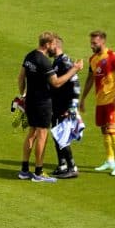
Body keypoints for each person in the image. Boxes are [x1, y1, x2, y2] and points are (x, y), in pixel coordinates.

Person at [17, 32, 83, 182]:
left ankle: (24, 170)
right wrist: (75, 69)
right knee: (41, 136)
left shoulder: (29, 56)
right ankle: (38, 173)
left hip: (31, 101)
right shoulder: (44, 61)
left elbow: (21, 78)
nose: (55, 46)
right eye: (53, 44)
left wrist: (23, 95)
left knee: (31, 134)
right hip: (43, 103)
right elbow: (56, 83)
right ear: (47, 45)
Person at [80, 30, 115, 176]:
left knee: (112, 129)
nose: (91, 45)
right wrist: (83, 99)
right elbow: (90, 79)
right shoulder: (93, 59)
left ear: (102, 42)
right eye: (91, 43)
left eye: (94, 43)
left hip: (112, 100)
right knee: (103, 130)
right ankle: (110, 160)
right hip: (100, 100)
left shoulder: (113, 56)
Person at [50, 36, 81, 178]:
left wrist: (73, 106)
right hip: (56, 105)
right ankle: (62, 164)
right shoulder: (57, 61)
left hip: (65, 106)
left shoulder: (64, 61)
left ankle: (72, 167)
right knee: (56, 134)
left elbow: (75, 83)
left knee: (62, 136)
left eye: (49, 45)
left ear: (55, 45)